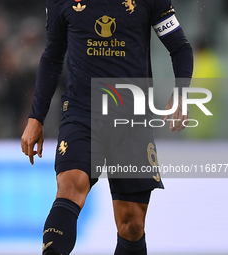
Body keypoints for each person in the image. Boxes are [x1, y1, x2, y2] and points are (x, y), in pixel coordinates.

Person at [21, 0, 193, 254]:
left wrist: (181, 92)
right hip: (83, 112)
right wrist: (36, 117)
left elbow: (179, 47)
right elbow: (53, 56)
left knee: (132, 224)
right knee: (70, 187)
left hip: (131, 118)